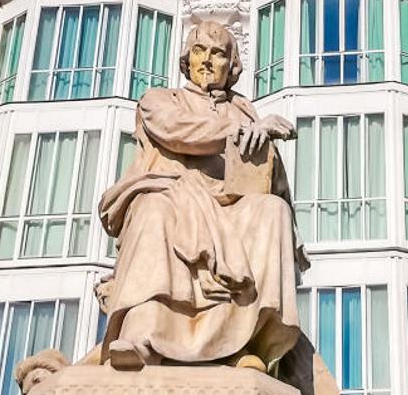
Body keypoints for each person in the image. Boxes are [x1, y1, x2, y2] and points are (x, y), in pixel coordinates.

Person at [98, 20, 304, 374]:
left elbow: (272, 177)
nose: (207, 60)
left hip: (228, 204)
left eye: (218, 53)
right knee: (154, 211)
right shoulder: (160, 100)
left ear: (231, 66)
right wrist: (242, 130)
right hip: (170, 190)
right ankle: (142, 335)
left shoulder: (244, 112)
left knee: (273, 212)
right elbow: (178, 132)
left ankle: (247, 344)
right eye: (199, 51)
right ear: (187, 60)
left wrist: (263, 142)